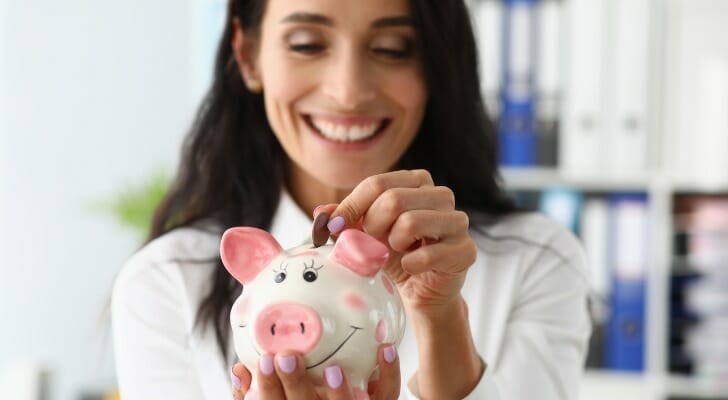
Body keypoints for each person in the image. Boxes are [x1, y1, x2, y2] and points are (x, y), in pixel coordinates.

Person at [110, 0, 592, 399]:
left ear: (438, 66)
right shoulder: (166, 282)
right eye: (307, 44)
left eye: (392, 48)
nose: (348, 92)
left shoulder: (538, 261)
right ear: (249, 54)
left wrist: (440, 318)